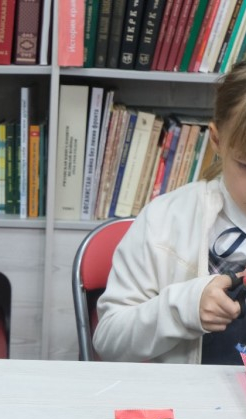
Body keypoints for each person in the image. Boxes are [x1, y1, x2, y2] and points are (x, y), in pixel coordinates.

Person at [93, 60, 246, 365]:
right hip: (193, 393)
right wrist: (184, 309)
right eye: (245, 165)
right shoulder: (164, 221)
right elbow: (109, 340)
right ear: (216, 140)